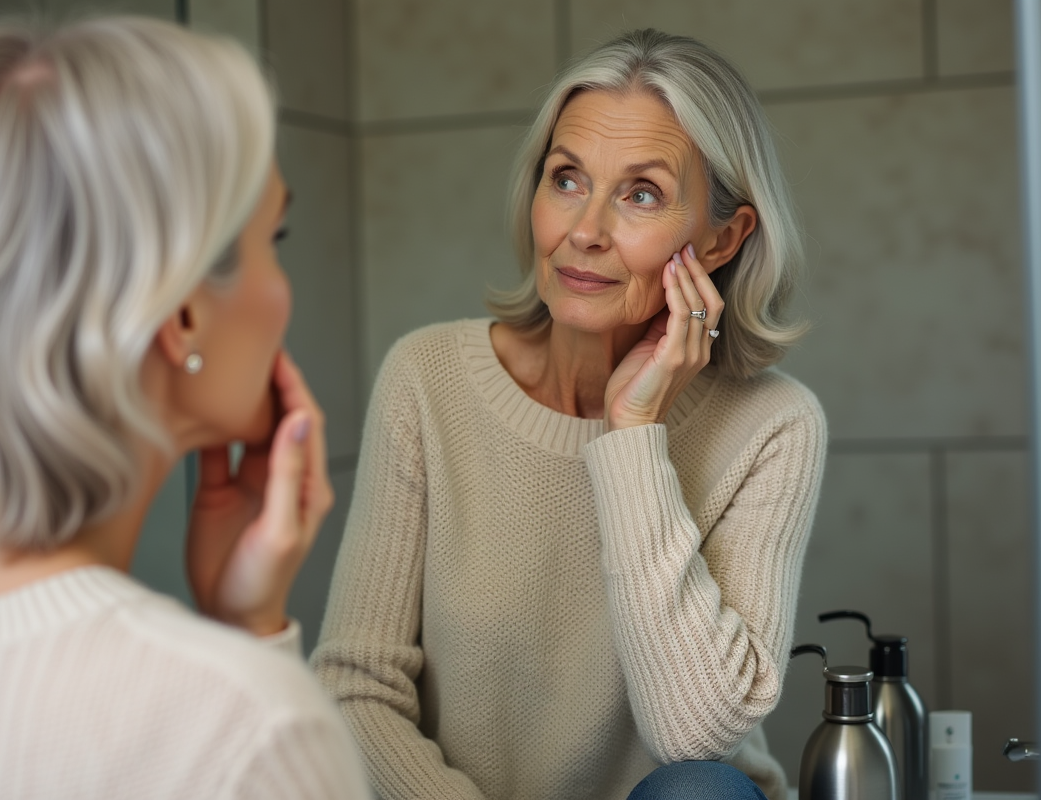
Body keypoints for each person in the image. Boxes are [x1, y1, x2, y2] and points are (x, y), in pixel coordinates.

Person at [312, 28, 827, 800]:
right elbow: (355, 691)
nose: (584, 231)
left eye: (641, 193)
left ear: (722, 238)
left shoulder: (775, 425)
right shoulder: (427, 378)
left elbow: (695, 740)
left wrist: (634, 434)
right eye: (566, 179)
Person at [0, 16, 369, 800]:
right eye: (272, 238)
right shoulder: (249, 725)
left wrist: (241, 627)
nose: (284, 288)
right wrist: (248, 664)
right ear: (181, 314)